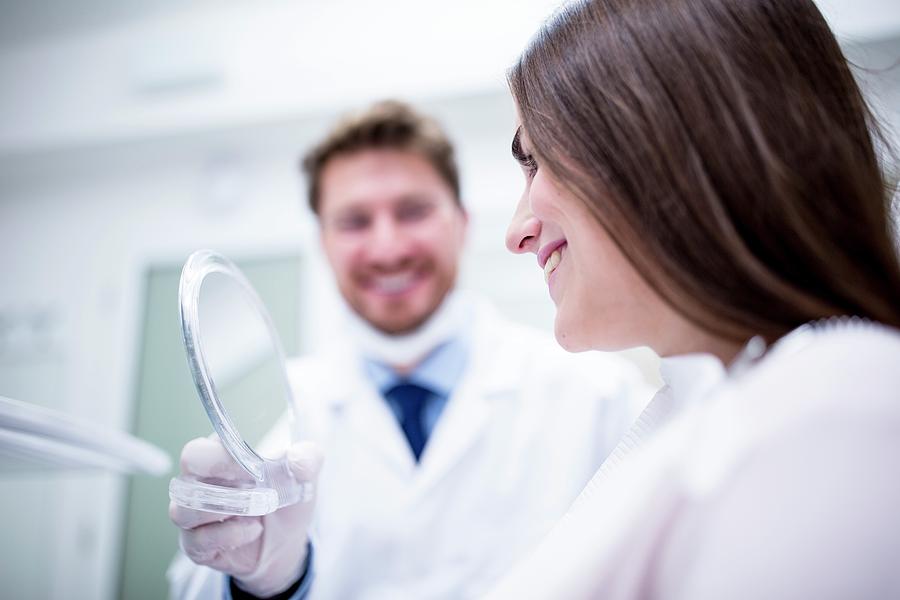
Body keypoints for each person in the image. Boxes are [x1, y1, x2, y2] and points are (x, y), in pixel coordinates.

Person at [491, 0, 900, 598]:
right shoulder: (709, 405)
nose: (517, 230)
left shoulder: (837, 414)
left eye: (536, 161)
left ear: (658, 142)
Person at [168, 100, 652, 599]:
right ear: (324, 243)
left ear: (463, 223)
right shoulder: (291, 408)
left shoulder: (599, 394)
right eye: (355, 221)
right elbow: (191, 586)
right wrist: (261, 582)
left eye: (413, 211)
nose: (387, 248)